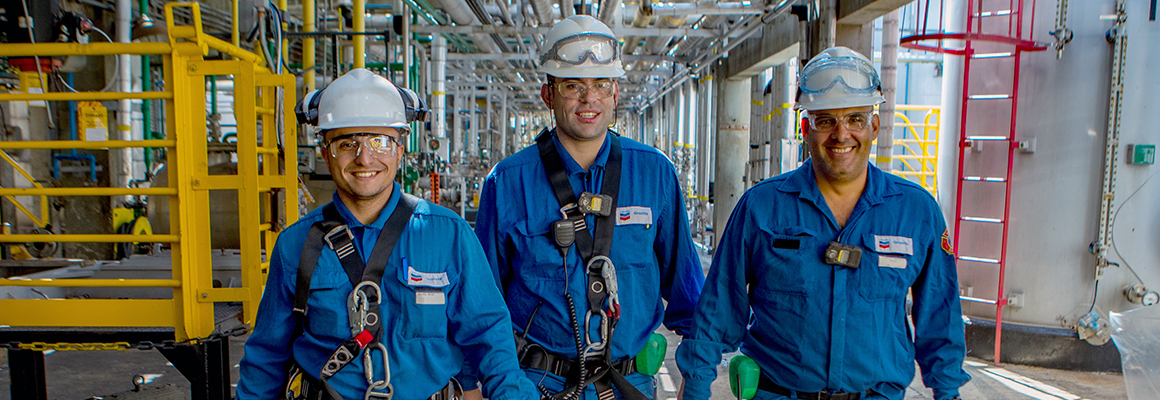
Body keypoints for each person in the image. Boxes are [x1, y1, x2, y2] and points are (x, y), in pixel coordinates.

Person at [675, 47, 971, 400]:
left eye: (856, 119)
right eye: (826, 120)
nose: (842, 134)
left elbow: (940, 314)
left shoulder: (916, 211)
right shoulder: (762, 208)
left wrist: (948, 391)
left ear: (874, 126)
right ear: (805, 128)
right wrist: (694, 388)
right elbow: (717, 311)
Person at [236, 68, 538, 400]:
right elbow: (266, 355)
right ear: (325, 152)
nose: (364, 157)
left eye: (379, 142)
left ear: (399, 149)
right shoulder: (296, 245)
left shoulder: (447, 235)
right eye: (346, 143)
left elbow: (490, 338)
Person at [469, 14, 705, 400]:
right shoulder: (508, 181)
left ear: (615, 92)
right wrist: (474, 385)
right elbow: (481, 302)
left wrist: (693, 378)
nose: (588, 99)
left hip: (630, 383)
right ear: (548, 94)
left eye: (600, 85)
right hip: (534, 384)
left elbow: (688, 293)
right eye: (572, 86)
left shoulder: (654, 173)